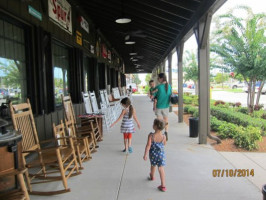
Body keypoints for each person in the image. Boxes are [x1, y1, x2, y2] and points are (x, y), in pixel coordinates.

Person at [143, 119, 166, 192]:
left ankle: (152, 176)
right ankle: (163, 185)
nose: (152, 125)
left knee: (153, 166)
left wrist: (145, 154)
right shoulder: (164, 136)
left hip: (153, 155)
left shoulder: (151, 136)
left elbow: (148, 145)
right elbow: (164, 144)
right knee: (161, 168)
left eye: (153, 124)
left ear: (155, 126)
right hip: (161, 155)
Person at [151, 73, 171, 141]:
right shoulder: (169, 86)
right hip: (166, 106)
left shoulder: (158, 87)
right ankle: (166, 132)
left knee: (159, 122)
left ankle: (160, 135)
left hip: (159, 106)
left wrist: (153, 91)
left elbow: (152, 96)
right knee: (166, 120)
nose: (157, 79)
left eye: (158, 78)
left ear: (161, 79)